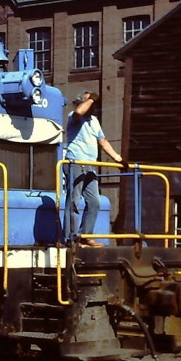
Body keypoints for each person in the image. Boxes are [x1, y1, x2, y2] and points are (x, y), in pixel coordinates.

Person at [63, 91, 123, 247]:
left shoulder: (94, 121)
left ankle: (85, 235)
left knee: (95, 201)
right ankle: (70, 238)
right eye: (90, 102)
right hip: (75, 162)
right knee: (74, 200)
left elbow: (103, 142)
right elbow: (79, 111)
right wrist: (90, 99)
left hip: (90, 165)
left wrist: (118, 159)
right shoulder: (73, 117)